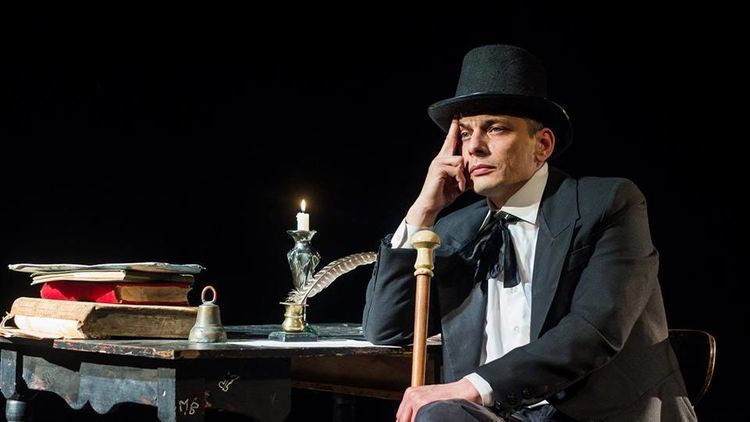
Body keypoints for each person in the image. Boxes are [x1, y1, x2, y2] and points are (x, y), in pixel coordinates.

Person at [362, 44, 696, 421]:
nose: (475, 147)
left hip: (596, 414)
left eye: (495, 128)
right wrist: (423, 211)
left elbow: (594, 331)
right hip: (497, 416)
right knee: (439, 416)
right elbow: (386, 330)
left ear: (542, 145)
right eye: (465, 133)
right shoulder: (456, 230)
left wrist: (473, 386)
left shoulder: (607, 203)